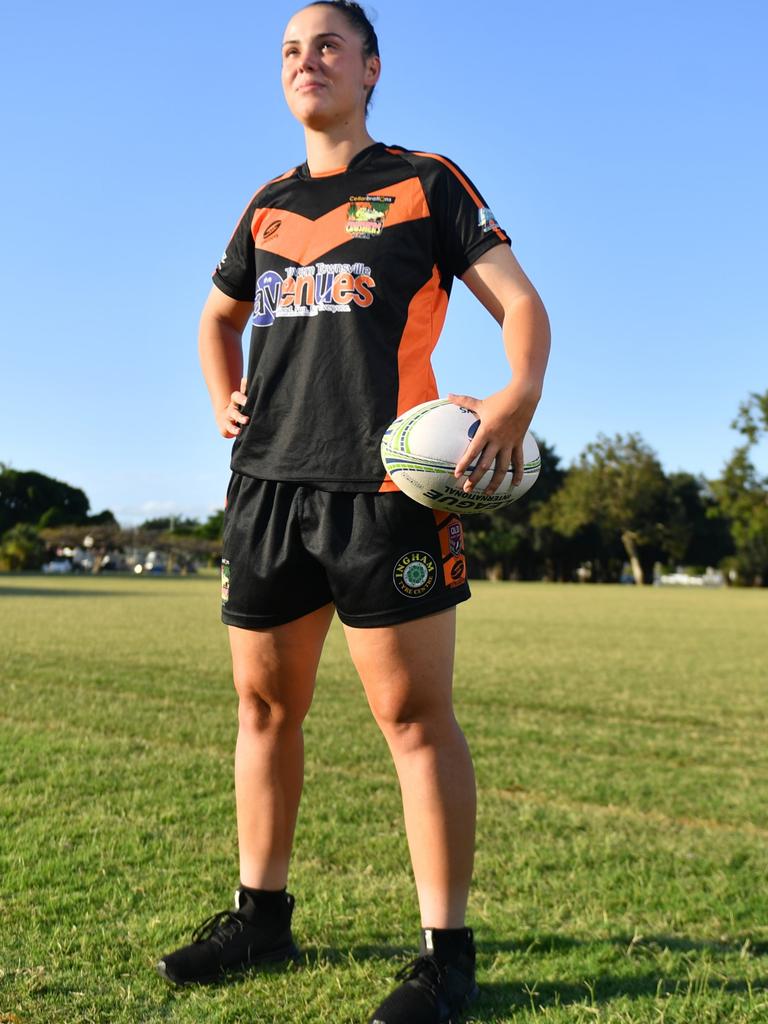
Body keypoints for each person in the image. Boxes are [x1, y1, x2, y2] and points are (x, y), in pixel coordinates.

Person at [156, 2, 550, 1021]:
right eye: (290, 50)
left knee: (412, 719)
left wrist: (516, 397)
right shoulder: (268, 205)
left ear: (371, 68)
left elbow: (520, 301)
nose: (307, 61)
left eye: (327, 45)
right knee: (263, 709)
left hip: (388, 495)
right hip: (269, 488)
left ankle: (446, 956)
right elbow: (217, 314)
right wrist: (220, 391)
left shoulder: (426, 182)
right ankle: (260, 915)